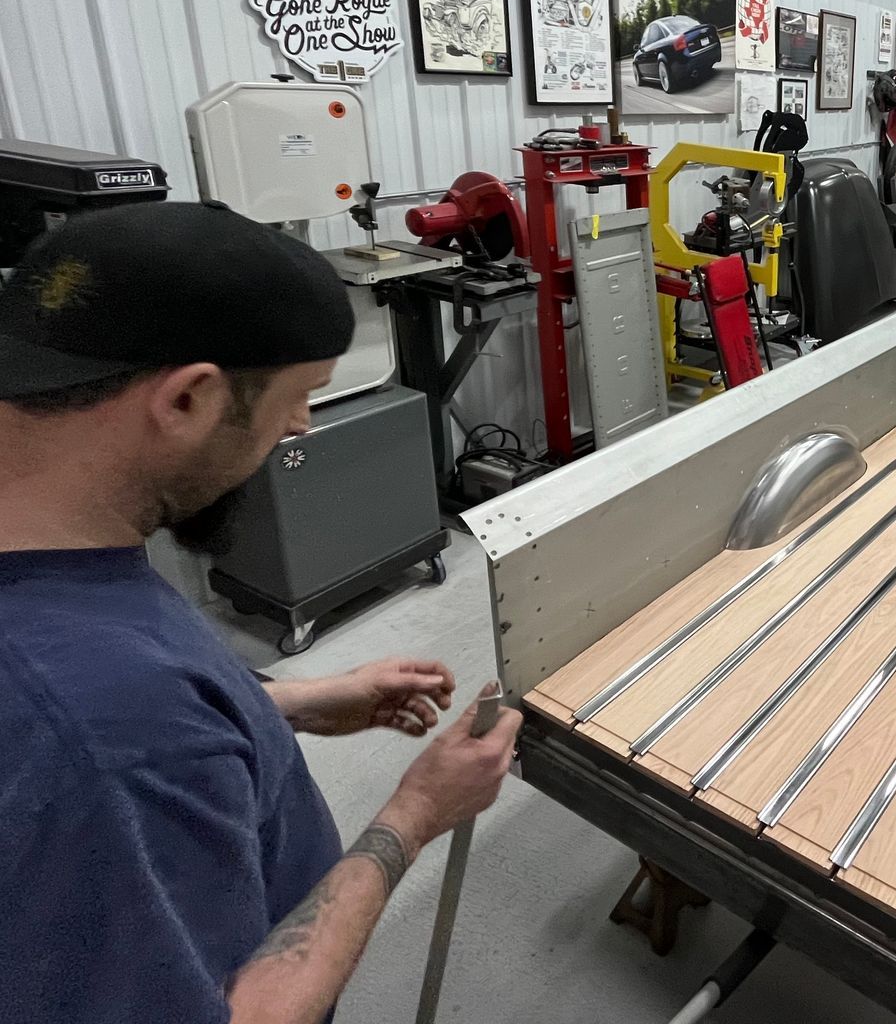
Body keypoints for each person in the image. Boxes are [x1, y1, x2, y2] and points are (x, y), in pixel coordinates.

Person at [0, 201, 523, 1022]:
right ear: (187, 399)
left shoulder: (57, 565)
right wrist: (417, 813)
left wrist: (286, 705)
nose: (300, 425)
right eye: (299, 395)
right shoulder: (104, 729)